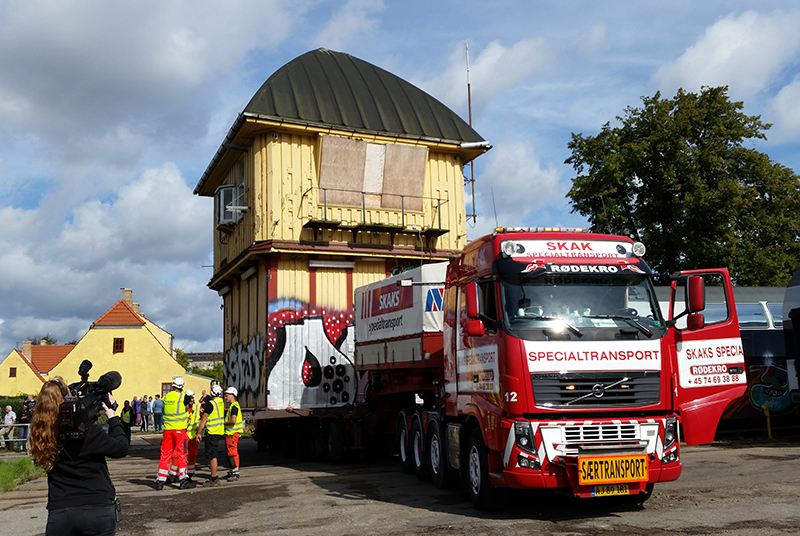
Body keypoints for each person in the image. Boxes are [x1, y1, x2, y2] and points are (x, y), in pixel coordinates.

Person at [29, 377, 128, 536]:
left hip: (60, 512)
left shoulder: (42, 435)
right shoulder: (90, 432)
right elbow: (121, 448)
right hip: (97, 508)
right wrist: (113, 418)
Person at [155, 377, 191, 490]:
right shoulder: (183, 396)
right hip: (180, 430)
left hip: (167, 430)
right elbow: (187, 408)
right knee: (182, 454)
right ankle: (183, 479)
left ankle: (160, 480)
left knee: (165, 454)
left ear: (173, 386)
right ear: (182, 387)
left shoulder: (166, 396)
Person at [195, 383, 225, 487]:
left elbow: (204, 419)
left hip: (211, 432)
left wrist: (198, 433)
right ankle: (214, 477)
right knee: (213, 454)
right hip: (218, 431)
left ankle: (214, 478)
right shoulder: (220, 402)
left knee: (212, 455)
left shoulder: (210, 404)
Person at [223, 387, 244, 481]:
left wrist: (222, 423)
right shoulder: (233, 406)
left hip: (232, 433)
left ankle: (235, 472)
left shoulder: (234, 406)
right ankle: (232, 471)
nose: (225, 396)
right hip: (230, 433)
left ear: (232, 395)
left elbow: (233, 420)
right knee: (230, 452)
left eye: (227, 394)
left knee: (232, 452)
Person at [184, 390, 201, 482]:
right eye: (190, 398)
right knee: (183, 455)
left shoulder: (197, 407)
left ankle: (190, 473)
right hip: (184, 435)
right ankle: (182, 474)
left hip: (193, 436)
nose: (191, 400)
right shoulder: (182, 408)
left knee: (193, 455)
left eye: (192, 398)